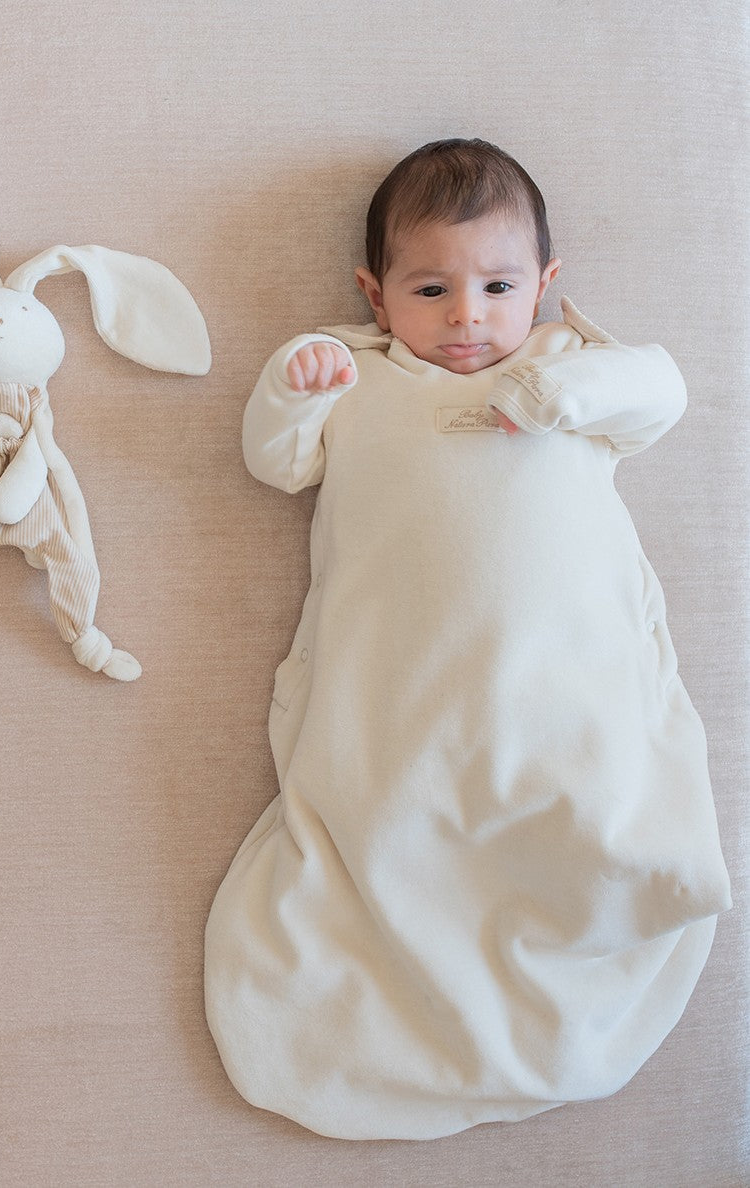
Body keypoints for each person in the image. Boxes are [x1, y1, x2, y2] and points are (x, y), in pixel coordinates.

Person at [204, 139, 731, 1141]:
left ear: (545, 282)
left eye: (498, 287)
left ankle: (566, 918)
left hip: (559, 683)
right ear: (375, 294)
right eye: (430, 289)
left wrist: (566, 397)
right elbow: (274, 461)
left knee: (583, 801)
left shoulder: (566, 363)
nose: (466, 318)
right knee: (392, 809)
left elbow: (661, 393)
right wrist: (292, 387)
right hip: (405, 687)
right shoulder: (353, 377)